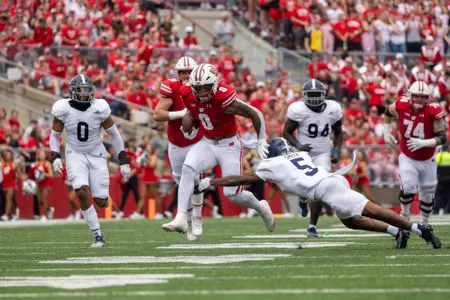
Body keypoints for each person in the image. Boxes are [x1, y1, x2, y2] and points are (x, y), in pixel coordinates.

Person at [198, 138, 442, 249]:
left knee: (371, 209)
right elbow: (298, 180)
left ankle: (418, 229)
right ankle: (397, 231)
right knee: (350, 222)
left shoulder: (272, 164)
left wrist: (211, 180)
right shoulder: (298, 155)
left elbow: (239, 178)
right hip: (330, 182)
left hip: (327, 187)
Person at [162, 63, 274, 236]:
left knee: (233, 195)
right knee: (187, 169)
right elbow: (194, 112)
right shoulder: (185, 92)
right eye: (197, 88)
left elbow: (255, 113)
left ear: (214, 83)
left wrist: (261, 140)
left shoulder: (224, 96)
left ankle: (261, 207)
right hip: (207, 142)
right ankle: (182, 217)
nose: (201, 92)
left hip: (229, 145)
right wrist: (190, 123)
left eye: (205, 87)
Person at [50, 74, 131, 248]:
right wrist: (55, 155)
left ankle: (105, 199)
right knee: (81, 191)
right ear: (73, 91)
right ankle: (98, 235)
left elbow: (115, 135)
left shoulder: (100, 107)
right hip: (75, 154)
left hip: (96, 154)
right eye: (81, 91)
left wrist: (123, 158)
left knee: (101, 201)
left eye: (87, 91)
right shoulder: (62, 108)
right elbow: (55, 135)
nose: (85, 94)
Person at [383, 80, 446, 247]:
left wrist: (424, 143)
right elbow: (387, 112)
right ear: (410, 95)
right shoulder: (401, 104)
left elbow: (442, 136)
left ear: (427, 97)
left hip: (428, 157)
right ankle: (404, 224)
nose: (419, 99)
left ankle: (425, 225)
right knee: (409, 188)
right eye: (416, 96)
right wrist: (385, 132)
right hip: (408, 155)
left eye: (422, 97)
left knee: (427, 193)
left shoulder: (433, 110)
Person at [283, 79, 343, 238]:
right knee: (303, 185)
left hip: (323, 152)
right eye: (312, 95)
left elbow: (338, 132)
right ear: (304, 95)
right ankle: (303, 199)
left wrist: (336, 150)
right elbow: (287, 133)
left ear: (324, 95)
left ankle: (312, 226)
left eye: (317, 94)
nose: (315, 98)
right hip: (303, 152)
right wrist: (299, 145)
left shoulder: (333, 108)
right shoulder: (298, 109)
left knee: (320, 188)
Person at [153, 56, 203, 241]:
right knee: (182, 182)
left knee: (195, 178)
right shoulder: (172, 88)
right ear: (178, 73)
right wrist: (180, 114)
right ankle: (188, 221)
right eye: (183, 72)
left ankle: (196, 218)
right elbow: (157, 114)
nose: (186, 75)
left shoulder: (204, 86)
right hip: (176, 143)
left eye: (189, 72)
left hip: (197, 141)